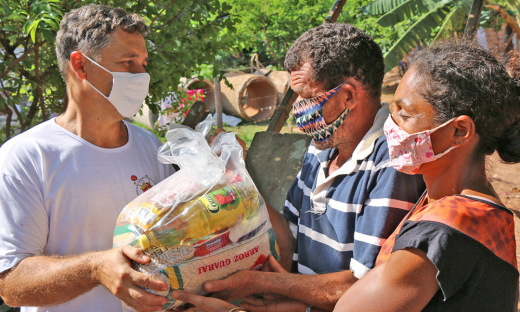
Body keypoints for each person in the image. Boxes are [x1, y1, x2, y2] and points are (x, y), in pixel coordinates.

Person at [171, 23, 426, 312]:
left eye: (308, 97)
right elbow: (287, 239)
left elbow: (364, 288)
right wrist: (236, 176)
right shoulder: (321, 150)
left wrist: (262, 283)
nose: (299, 108)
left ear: (349, 97)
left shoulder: (392, 163)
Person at [0, 4, 175, 312]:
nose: (142, 76)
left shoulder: (151, 148)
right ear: (80, 66)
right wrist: (95, 268)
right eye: (128, 63)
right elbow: (11, 285)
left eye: (144, 63)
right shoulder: (26, 157)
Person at [331, 42, 520, 311]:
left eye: (405, 114)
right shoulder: (468, 205)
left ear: (459, 131)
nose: (390, 124)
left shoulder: (446, 229)